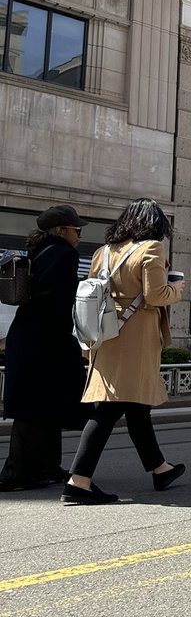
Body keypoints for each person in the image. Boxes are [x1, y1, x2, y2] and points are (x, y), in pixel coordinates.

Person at [62, 199, 185, 505]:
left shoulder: (103, 251)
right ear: (154, 225)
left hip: (105, 335)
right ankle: (79, 482)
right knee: (108, 409)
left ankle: (160, 469)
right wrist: (177, 290)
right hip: (135, 339)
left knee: (136, 407)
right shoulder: (151, 249)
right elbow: (157, 295)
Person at [0, 205, 88, 491]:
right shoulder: (64, 253)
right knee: (35, 408)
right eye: (77, 230)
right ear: (62, 231)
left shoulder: (38, 251)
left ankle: (45, 467)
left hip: (30, 336)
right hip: (46, 340)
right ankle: (17, 473)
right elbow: (63, 300)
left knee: (43, 406)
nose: (79, 235)